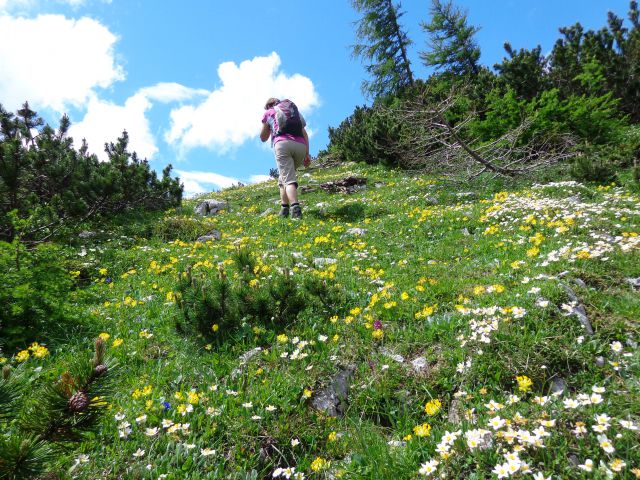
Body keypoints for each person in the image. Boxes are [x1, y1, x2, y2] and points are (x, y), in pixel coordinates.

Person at [260, 97, 310, 219]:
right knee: (283, 178)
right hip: (301, 146)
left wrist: (267, 125)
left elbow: (263, 137)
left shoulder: (269, 112)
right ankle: (284, 209)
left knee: (288, 179)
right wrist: (307, 154)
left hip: (283, 144)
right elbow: (304, 133)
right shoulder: (294, 112)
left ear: (268, 106)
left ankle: (295, 208)